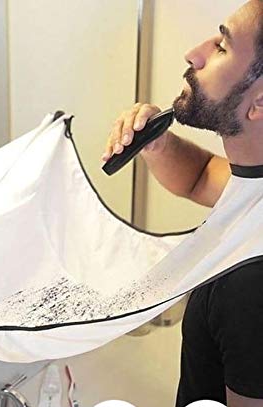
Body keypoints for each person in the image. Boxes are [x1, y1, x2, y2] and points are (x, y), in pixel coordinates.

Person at [103, 1, 263, 406]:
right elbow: (201, 177)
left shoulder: (250, 287)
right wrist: (159, 144)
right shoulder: (253, 184)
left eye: (221, 46)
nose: (194, 53)